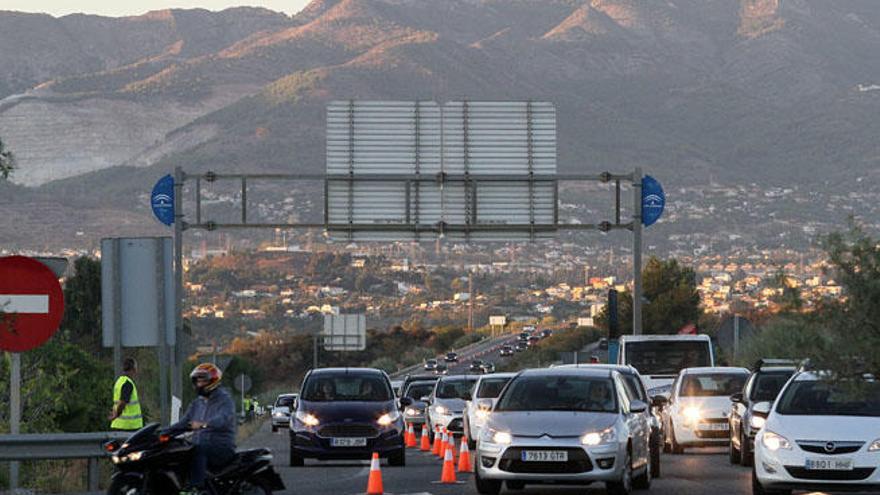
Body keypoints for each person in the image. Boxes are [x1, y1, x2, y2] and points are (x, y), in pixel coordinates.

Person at [171, 363, 237, 493]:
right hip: (201, 444)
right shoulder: (197, 403)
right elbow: (183, 423)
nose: (199, 384)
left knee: (198, 449)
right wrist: (162, 432)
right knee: (179, 450)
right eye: (197, 380)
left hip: (221, 446)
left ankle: (197, 488)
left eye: (203, 380)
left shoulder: (224, 400)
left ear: (213, 381)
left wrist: (204, 424)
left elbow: (223, 419)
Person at [109, 357, 143, 431]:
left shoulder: (119, 381)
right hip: (128, 426)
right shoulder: (127, 383)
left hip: (118, 424)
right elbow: (123, 402)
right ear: (133, 369)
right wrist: (117, 415)